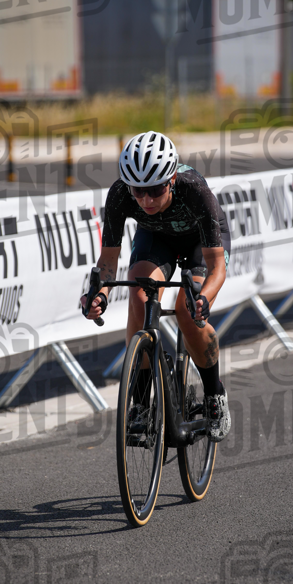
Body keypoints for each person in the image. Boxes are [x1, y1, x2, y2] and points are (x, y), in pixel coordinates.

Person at [81, 130, 231, 441]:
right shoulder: (120, 195)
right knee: (138, 296)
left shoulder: (194, 191)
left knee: (188, 312)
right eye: (139, 191)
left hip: (197, 243)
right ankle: (141, 406)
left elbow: (217, 267)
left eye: (156, 190)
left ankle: (215, 393)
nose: (146, 200)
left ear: (172, 179)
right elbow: (108, 260)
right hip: (156, 238)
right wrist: (100, 295)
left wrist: (203, 299)